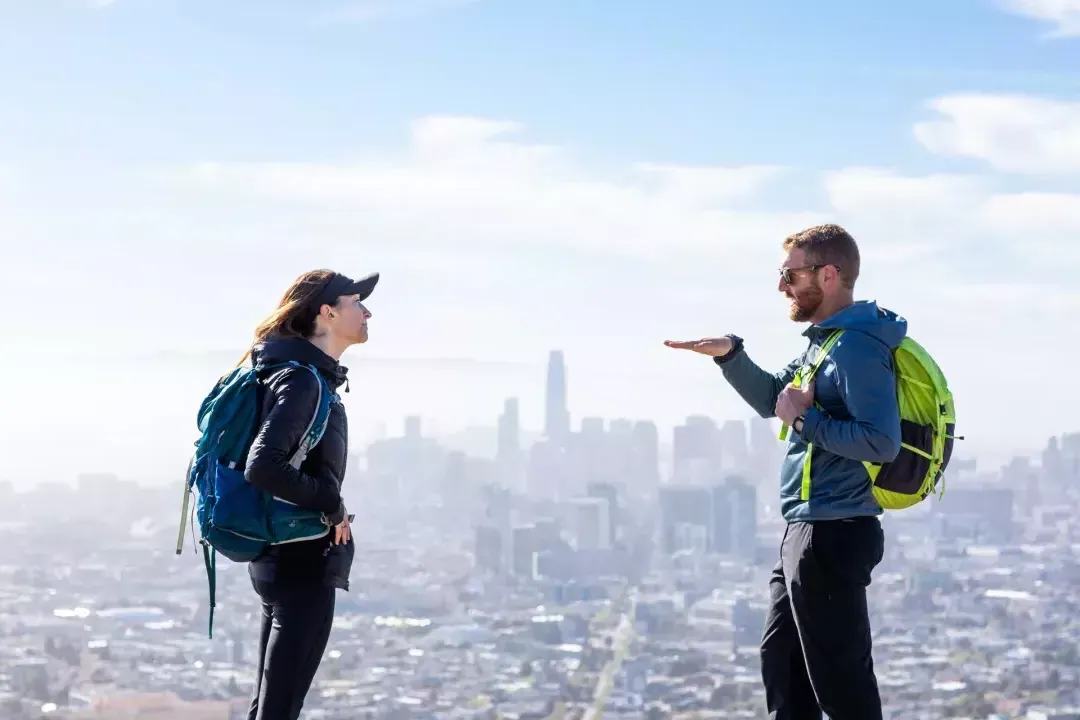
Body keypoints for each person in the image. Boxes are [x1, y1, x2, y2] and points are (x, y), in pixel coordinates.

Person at [665, 224, 903, 719]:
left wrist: (804, 419)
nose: (782, 287)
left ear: (829, 274)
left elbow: (881, 442)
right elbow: (777, 397)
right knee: (785, 671)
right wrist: (731, 356)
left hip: (833, 530)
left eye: (789, 274)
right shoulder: (826, 344)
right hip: (808, 526)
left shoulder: (856, 347)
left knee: (842, 687)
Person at [240, 268, 378, 720]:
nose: (367, 312)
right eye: (357, 303)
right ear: (327, 311)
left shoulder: (290, 373)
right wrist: (331, 505)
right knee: (279, 709)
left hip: (279, 556)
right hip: (301, 562)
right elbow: (264, 465)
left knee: (270, 706)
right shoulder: (301, 380)